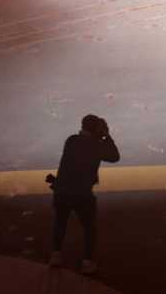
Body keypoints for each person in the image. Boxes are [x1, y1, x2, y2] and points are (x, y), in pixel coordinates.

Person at [48, 114, 120, 274]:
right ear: (97, 129)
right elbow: (115, 157)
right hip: (82, 193)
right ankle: (87, 262)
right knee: (89, 228)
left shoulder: (71, 140)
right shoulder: (97, 145)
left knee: (60, 223)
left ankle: (56, 255)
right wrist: (107, 136)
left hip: (62, 190)